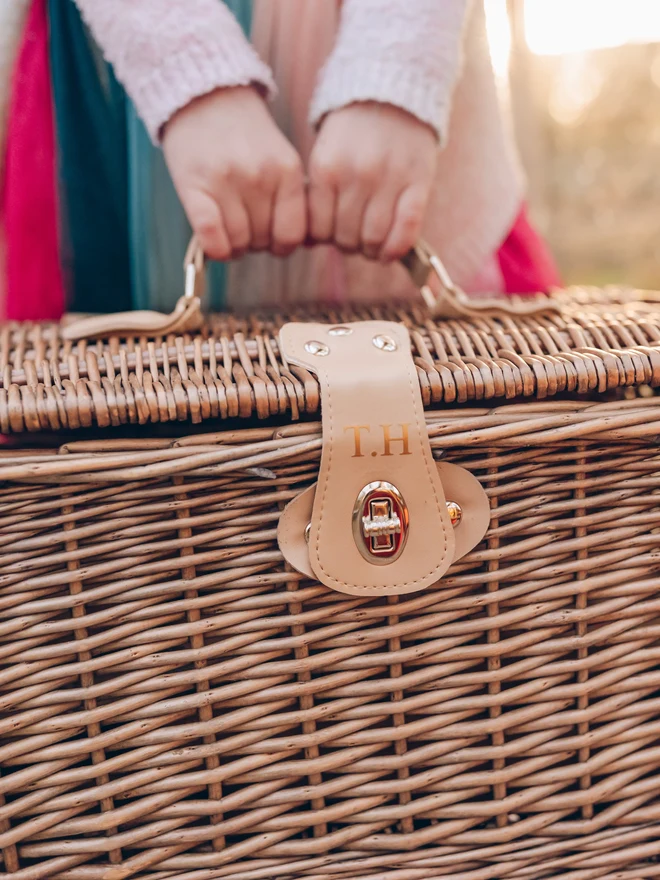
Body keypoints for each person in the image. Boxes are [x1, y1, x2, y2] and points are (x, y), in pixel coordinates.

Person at [3, 0, 561, 318]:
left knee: (461, 373)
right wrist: (190, 72)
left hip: (403, 79)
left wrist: (395, 70)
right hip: (122, 80)